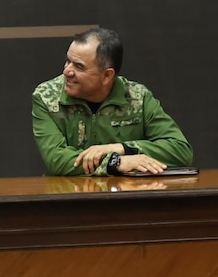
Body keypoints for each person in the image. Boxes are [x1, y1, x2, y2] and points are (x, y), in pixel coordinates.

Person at [32, 27, 192, 176]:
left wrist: (122, 148)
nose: (67, 71)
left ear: (107, 76)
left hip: (127, 193)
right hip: (70, 194)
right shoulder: (47, 97)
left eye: (79, 67)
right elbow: (57, 160)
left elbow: (181, 151)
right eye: (68, 61)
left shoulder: (137, 97)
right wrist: (115, 163)